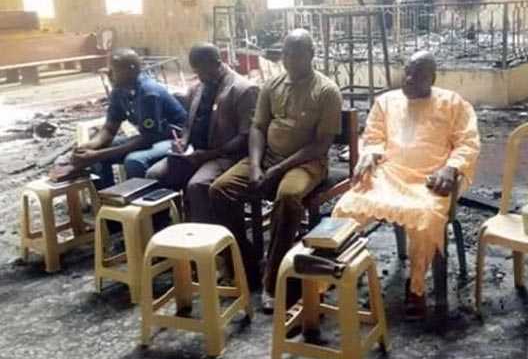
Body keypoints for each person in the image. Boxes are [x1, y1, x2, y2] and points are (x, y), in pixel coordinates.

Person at [332, 50, 480, 320]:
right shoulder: (386, 101)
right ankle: (330, 276)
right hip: (388, 175)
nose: (409, 79)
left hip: (428, 180)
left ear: (431, 78)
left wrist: (451, 167)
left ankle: (416, 288)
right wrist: (369, 154)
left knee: (425, 218)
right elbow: (373, 135)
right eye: (407, 72)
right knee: (346, 206)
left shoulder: (453, 103)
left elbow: (467, 143)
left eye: (417, 75)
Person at [211, 29, 343, 311]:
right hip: (267, 158)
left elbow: (320, 145)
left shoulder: (327, 91)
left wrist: (277, 170)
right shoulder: (272, 85)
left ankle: (274, 279)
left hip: (307, 164)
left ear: (311, 54)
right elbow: (258, 127)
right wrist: (257, 165)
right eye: (285, 53)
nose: (289, 59)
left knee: (288, 198)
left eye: (296, 53)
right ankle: (245, 263)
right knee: (219, 190)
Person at [146, 43, 258, 223]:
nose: (201, 77)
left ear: (217, 63)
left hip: (225, 155)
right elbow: (188, 125)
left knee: (197, 186)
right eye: (197, 72)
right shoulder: (197, 88)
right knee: (154, 175)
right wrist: (183, 141)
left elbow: (245, 137)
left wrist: (208, 154)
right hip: (194, 153)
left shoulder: (242, 90)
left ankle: (204, 242)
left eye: (204, 72)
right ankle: (167, 231)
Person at [71, 48, 187, 188]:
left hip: (174, 138)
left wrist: (98, 154)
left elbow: (147, 139)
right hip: (150, 137)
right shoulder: (119, 90)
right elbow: (109, 128)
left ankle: (140, 205)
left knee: (134, 161)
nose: (109, 73)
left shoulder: (148, 93)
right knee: (94, 156)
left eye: (113, 69)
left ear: (131, 70)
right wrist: (90, 146)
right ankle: (108, 200)